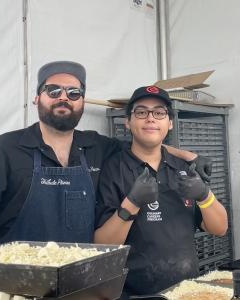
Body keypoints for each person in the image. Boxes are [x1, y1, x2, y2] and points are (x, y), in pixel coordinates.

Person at [0, 61, 211, 253]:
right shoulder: (5, 149)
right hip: (19, 285)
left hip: (82, 284)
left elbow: (144, 143)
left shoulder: (96, 146)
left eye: (74, 93)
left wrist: (190, 155)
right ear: (37, 98)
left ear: (81, 102)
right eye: (53, 90)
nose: (63, 97)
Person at [94, 85, 228, 296]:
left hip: (187, 291)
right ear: (128, 122)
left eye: (159, 112)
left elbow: (219, 228)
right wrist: (132, 203)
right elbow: (103, 245)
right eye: (141, 112)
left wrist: (204, 195)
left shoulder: (184, 169)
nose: (150, 118)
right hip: (134, 294)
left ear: (170, 123)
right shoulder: (114, 169)